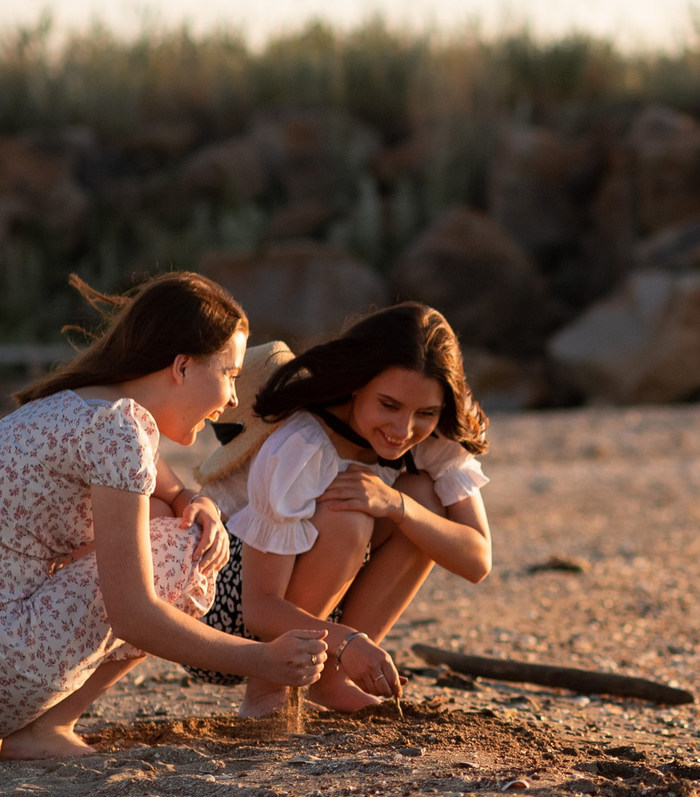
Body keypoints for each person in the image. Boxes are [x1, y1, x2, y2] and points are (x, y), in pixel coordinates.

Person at [0, 272, 329, 773]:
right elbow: (134, 613)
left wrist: (190, 495)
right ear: (181, 366)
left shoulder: (81, 405)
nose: (232, 397)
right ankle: (47, 727)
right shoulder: (122, 428)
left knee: (171, 516)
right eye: (229, 374)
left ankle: (41, 723)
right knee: (188, 546)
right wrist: (262, 657)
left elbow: (152, 476)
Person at [194, 302, 493, 717]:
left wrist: (398, 505)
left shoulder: (433, 440)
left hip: (311, 615)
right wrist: (348, 641)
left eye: (424, 413)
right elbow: (260, 608)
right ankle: (268, 693)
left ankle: (331, 680)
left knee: (424, 499)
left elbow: (477, 560)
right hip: (221, 614)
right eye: (388, 405)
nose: (403, 430)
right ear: (357, 385)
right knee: (347, 511)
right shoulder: (302, 447)